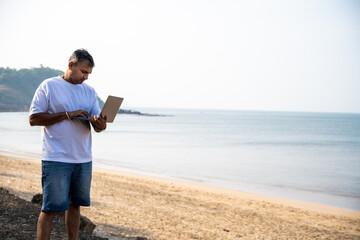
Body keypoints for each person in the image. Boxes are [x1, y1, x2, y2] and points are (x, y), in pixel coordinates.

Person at [29, 49, 107, 240]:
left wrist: (100, 124)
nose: (86, 77)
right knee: (50, 209)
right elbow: (33, 119)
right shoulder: (49, 85)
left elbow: (99, 127)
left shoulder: (89, 91)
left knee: (75, 206)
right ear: (71, 65)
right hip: (56, 158)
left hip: (83, 159)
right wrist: (67, 114)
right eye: (83, 71)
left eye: (88, 73)